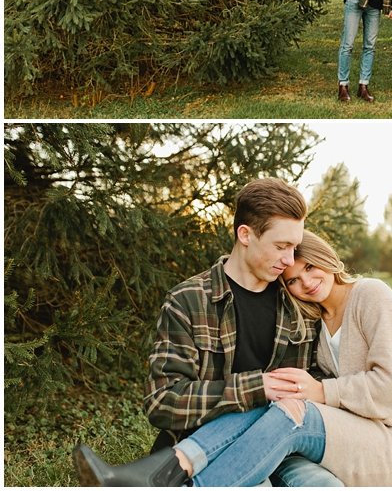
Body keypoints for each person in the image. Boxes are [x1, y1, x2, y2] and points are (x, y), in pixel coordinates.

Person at [71, 231, 392, 487]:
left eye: (309, 267)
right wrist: (291, 389)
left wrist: (318, 393)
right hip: (345, 436)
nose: (304, 282)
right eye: (291, 279)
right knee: (273, 393)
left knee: (295, 411)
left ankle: (184, 482)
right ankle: (165, 469)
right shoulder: (316, 319)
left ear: (326, 258)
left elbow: (390, 390)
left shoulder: (372, 295)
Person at [73, 179, 343, 488]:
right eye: (280, 246)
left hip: (281, 446)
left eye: (294, 248)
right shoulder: (188, 300)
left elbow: (317, 381)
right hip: (205, 443)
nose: (289, 260)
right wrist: (256, 388)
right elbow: (162, 401)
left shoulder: (297, 302)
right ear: (245, 234)